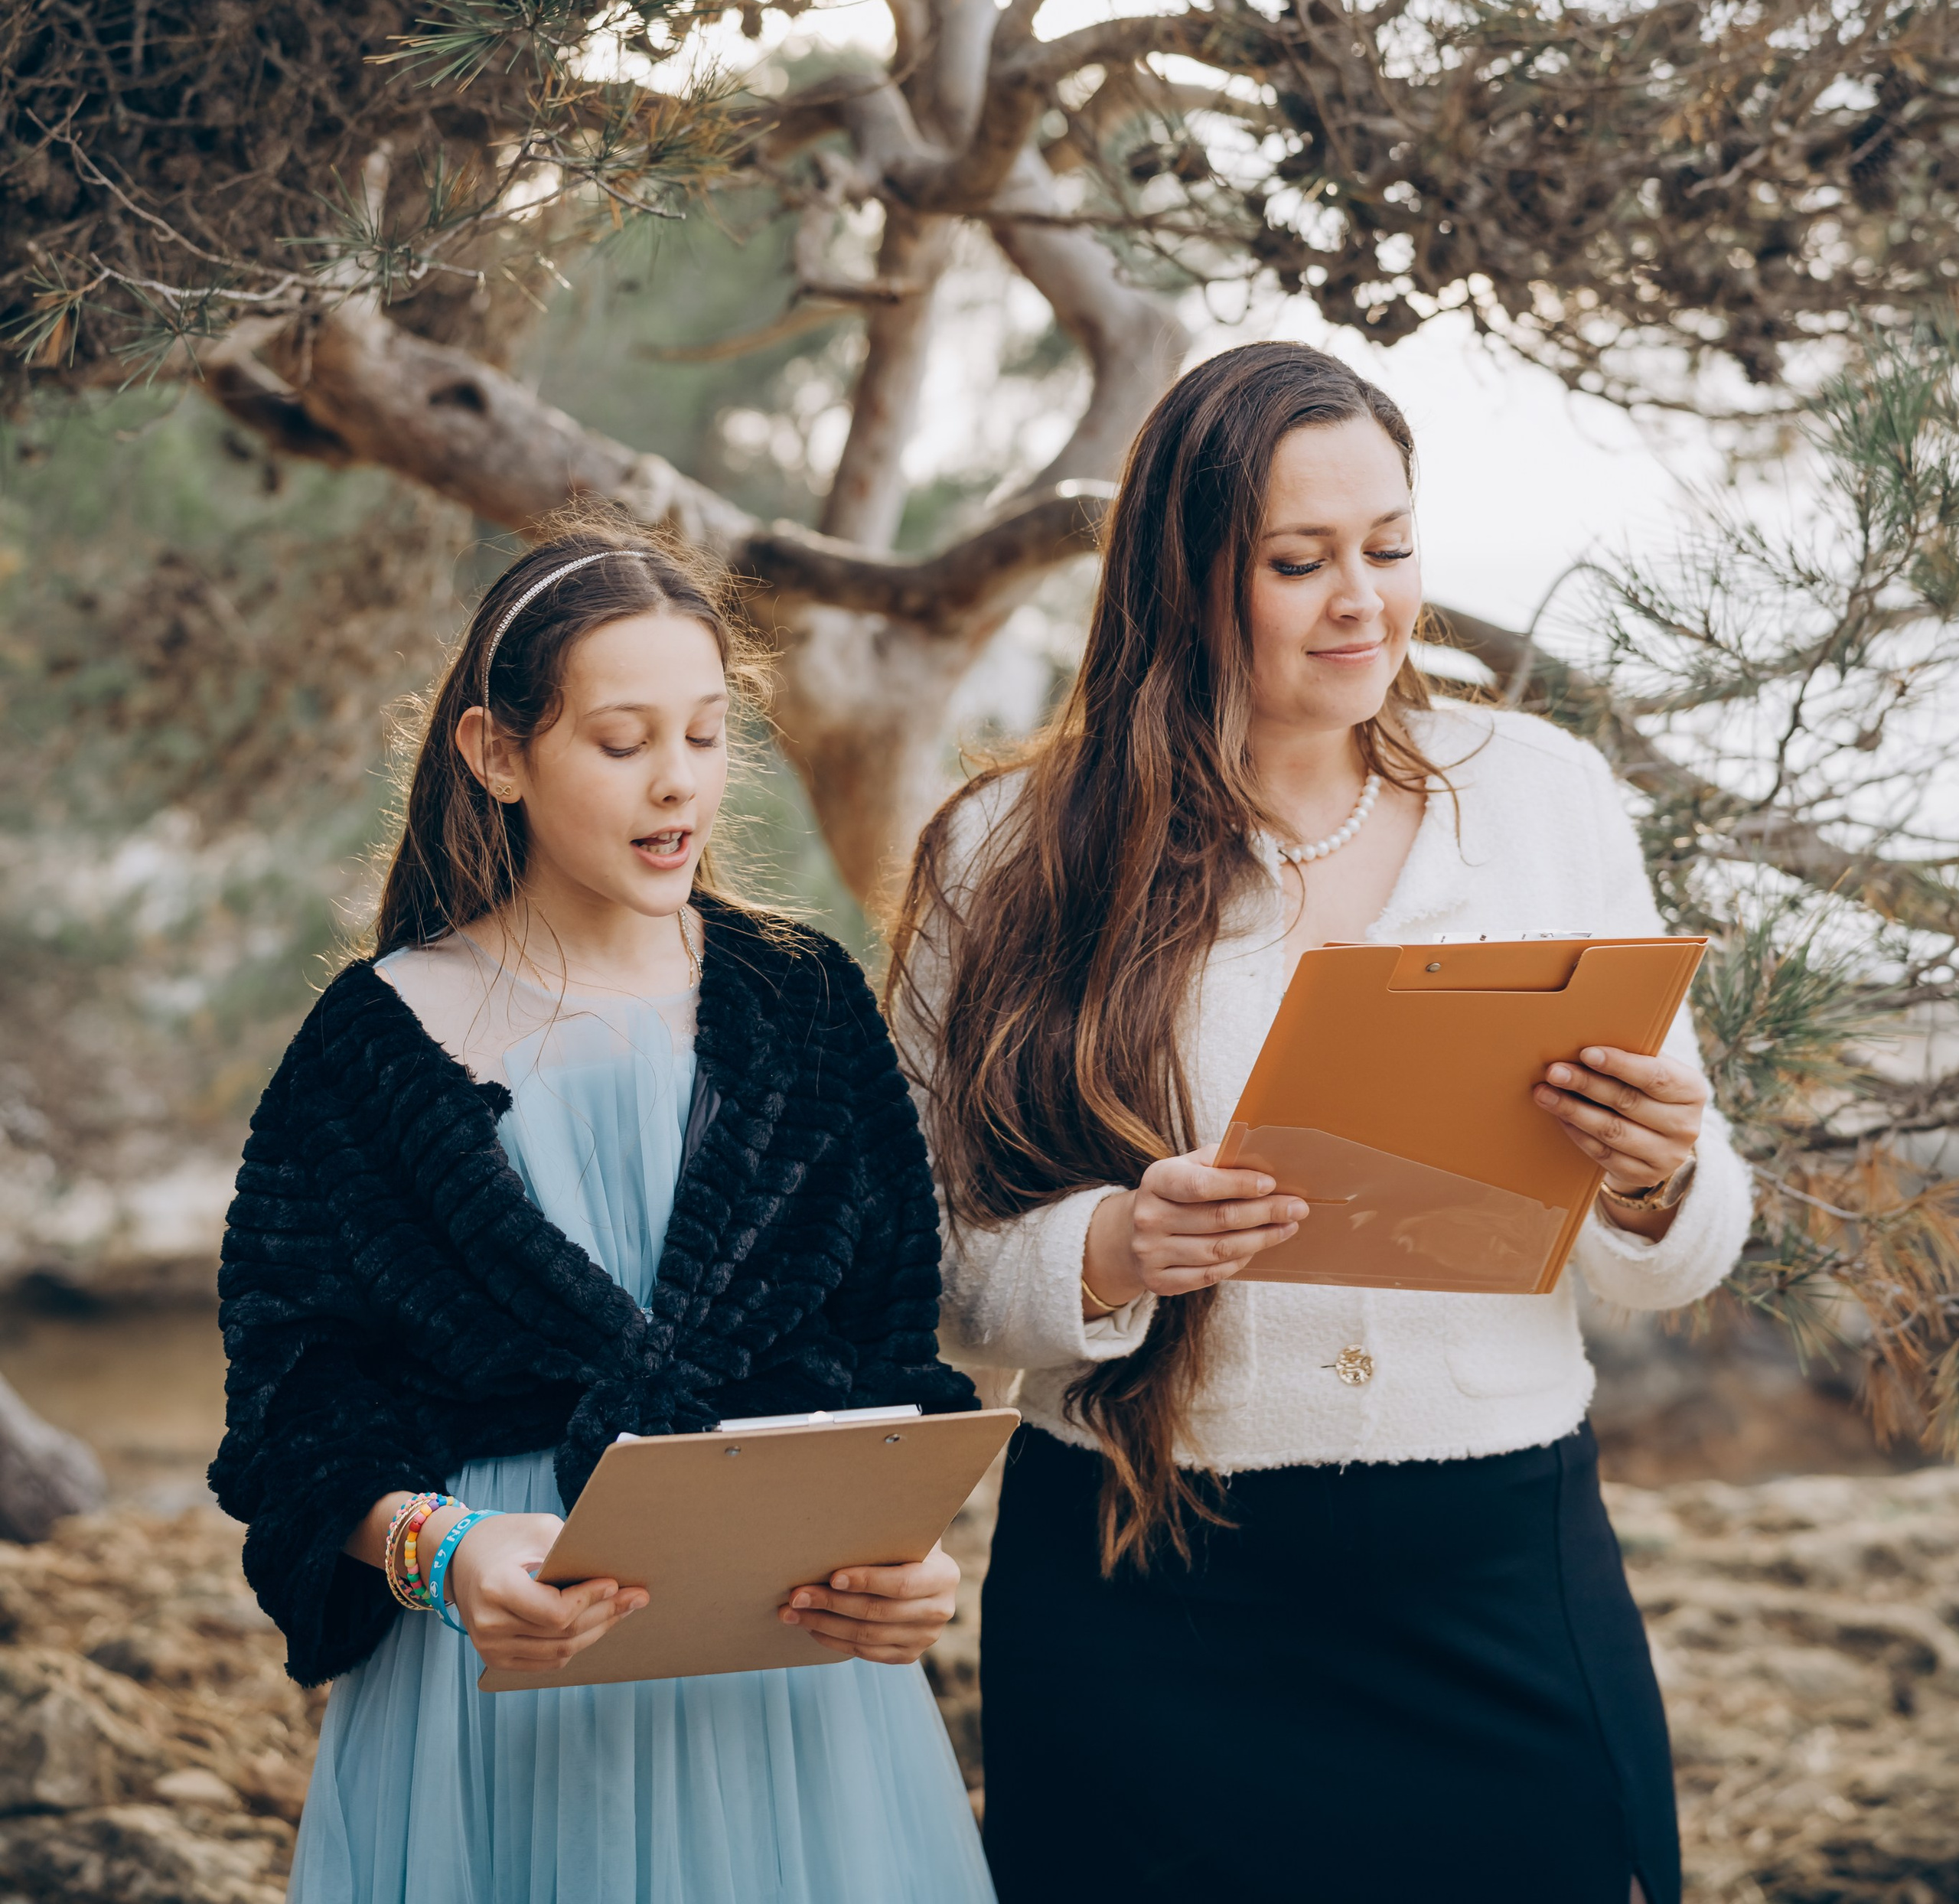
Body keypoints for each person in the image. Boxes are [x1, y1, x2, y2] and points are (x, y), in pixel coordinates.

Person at [891, 342, 1752, 1904]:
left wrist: (1656, 1178)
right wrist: (1106, 1248)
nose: (1363, 598)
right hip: (1134, 1587)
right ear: (1179, 577)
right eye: (1299, 561)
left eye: (1389, 544)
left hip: (1490, 1566)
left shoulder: (1547, 799)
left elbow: (1673, 1257)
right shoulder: (999, 855)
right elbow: (919, 1262)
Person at [211, 521, 994, 1904]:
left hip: (793, 1693)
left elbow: (889, 1359)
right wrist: (436, 1551)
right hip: (494, 1694)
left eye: (704, 735)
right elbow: (289, 1409)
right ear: (496, 754)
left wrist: (909, 1566)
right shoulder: (372, 1045)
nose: (677, 784)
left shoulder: (809, 1003)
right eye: (623, 742)